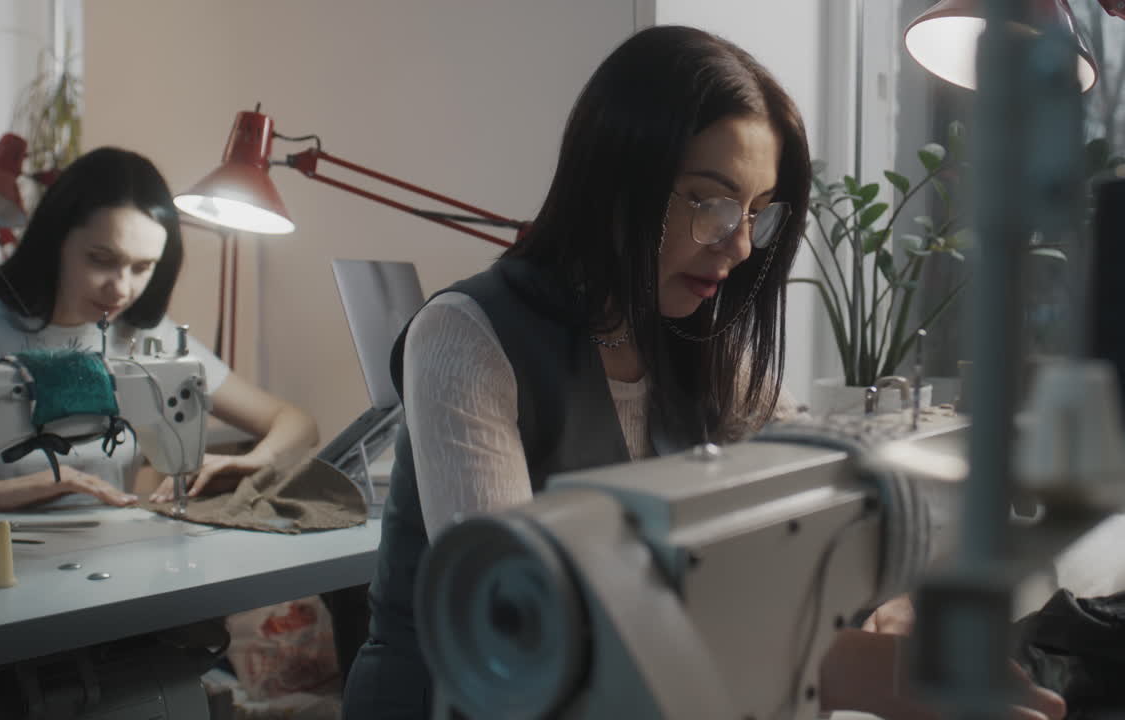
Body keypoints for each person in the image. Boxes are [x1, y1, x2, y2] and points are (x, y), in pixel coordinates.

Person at [343, 25, 1065, 720]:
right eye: (709, 201)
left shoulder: (698, 345)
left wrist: (894, 599)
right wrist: (852, 669)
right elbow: (527, 624)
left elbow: (829, 479)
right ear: (616, 174)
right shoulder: (464, 338)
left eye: (757, 211)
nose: (742, 243)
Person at [0, 147, 319, 511]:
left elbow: (297, 423)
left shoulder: (146, 336)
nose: (122, 289)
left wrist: (260, 460)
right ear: (56, 240)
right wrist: (2, 493)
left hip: (106, 551)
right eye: (101, 259)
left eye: (142, 267)